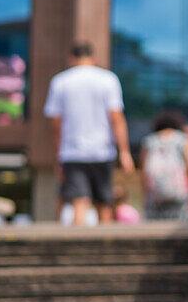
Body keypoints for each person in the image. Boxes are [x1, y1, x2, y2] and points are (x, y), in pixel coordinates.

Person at [44, 41, 134, 225]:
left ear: (71, 59)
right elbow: (117, 119)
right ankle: (107, 252)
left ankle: (78, 252)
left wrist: (58, 155)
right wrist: (125, 152)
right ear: (94, 58)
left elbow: (56, 125)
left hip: (72, 151)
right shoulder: (108, 79)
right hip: (103, 150)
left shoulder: (60, 81)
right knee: (104, 204)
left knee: (79, 202)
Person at [140, 111, 188, 221]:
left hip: (155, 192)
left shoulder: (149, 141)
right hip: (179, 190)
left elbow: (144, 170)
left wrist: (144, 194)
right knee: (179, 222)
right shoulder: (183, 139)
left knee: (155, 225)